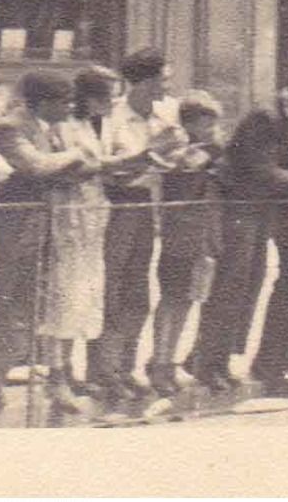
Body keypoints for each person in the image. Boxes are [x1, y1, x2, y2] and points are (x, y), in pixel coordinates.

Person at [191, 59, 288, 395]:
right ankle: (207, 364)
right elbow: (261, 171)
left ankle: (269, 362)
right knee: (234, 282)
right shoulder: (265, 117)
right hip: (239, 203)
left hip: (268, 204)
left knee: (269, 279)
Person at [0, 71, 97, 414]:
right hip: (15, 234)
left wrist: (70, 160)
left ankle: (54, 383)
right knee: (9, 313)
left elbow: (85, 166)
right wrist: (73, 156)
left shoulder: (52, 126)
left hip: (52, 231)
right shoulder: (11, 127)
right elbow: (36, 166)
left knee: (46, 310)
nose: (69, 108)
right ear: (44, 102)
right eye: (64, 102)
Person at [89, 48, 180, 403]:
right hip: (117, 207)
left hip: (147, 208)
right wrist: (151, 153)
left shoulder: (164, 114)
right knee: (112, 288)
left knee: (138, 293)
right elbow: (107, 167)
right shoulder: (113, 116)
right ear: (142, 81)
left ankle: (126, 367)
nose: (167, 86)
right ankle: (103, 371)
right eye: (163, 79)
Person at [146, 90, 226, 396]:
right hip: (180, 235)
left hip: (204, 236)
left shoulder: (211, 149)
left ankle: (169, 362)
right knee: (171, 299)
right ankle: (159, 362)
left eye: (212, 124)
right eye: (205, 124)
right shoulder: (177, 149)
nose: (211, 130)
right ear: (189, 123)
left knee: (188, 301)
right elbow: (184, 166)